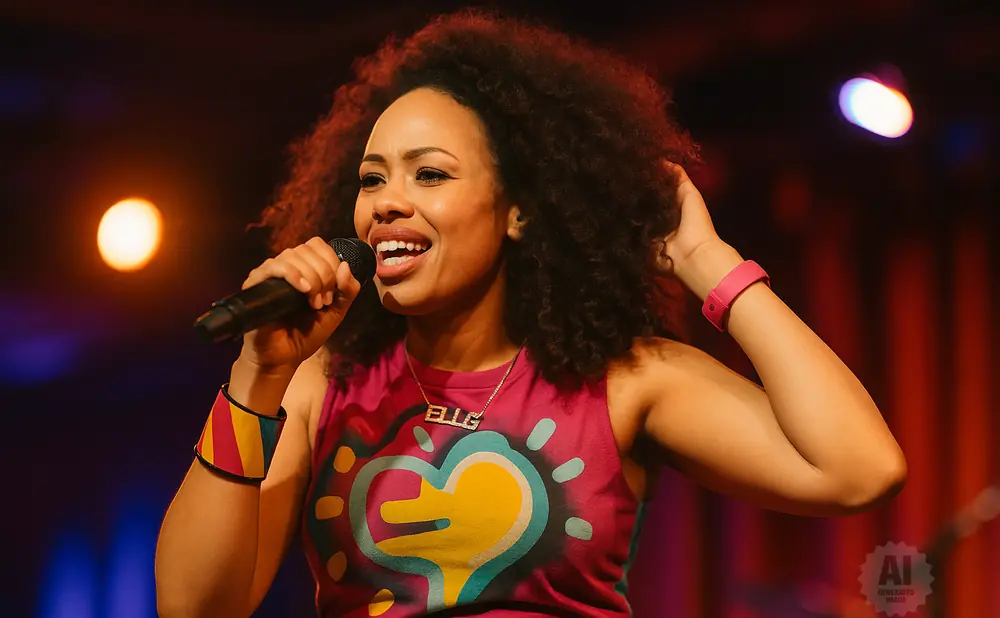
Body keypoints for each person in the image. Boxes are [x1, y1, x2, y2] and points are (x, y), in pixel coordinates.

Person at [154, 9, 907, 618]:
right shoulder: (321, 384)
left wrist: (709, 265)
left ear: (517, 210)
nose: (386, 203)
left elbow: (859, 470)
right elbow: (191, 607)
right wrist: (256, 374)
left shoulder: (624, 380)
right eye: (372, 179)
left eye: (430, 174)